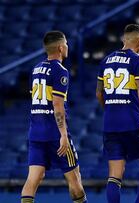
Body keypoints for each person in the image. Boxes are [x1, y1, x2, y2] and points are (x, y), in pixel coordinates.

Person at [96, 24, 139, 203]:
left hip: (110, 123)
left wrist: (110, 110)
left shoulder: (105, 60)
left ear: (124, 40)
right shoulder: (138, 60)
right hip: (133, 121)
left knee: (115, 175)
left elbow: (99, 94)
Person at [21, 31, 87, 203]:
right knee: (74, 178)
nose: (67, 46)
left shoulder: (36, 69)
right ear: (60, 47)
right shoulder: (60, 70)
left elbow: (35, 99)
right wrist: (63, 135)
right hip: (54, 133)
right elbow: (57, 105)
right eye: (66, 43)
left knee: (33, 179)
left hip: (35, 131)